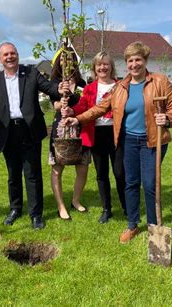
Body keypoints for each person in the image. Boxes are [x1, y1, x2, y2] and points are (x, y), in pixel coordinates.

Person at [65, 42, 172, 243]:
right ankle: (132, 225)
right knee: (131, 183)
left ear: (145, 61)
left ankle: (154, 228)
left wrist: (168, 118)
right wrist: (78, 119)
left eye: (138, 60)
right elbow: (100, 108)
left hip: (153, 141)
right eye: (130, 61)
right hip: (128, 141)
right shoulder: (121, 87)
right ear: (126, 64)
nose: (134, 64)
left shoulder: (160, 81)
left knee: (150, 183)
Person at [0, 42, 68, 230]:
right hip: (7, 132)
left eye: (13, 53)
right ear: (0, 59)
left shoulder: (30, 73)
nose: (10, 57)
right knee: (13, 175)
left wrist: (59, 89)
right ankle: (15, 208)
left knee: (32, 174)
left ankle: (36, 214)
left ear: (18, 55)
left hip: (29, 130)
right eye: (6, 54)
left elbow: (49, 88)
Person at [65, 51, 126, 224]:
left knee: (120, 172)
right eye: (99, 64)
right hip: (96, 134)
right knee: (101, 174)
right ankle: (107, 209)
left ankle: (126, 206)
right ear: (94, 68)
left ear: (111, 67)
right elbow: (82, 106)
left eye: (106, 64)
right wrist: (72, 111)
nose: (102, 67)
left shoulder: (120, 86)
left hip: (116, 134)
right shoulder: (90, 88)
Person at [48, 48, 89, 221]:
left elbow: (87, 104)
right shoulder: (55, 83)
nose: (68, 61)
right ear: (59, 61)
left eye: (71, 58)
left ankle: (75, 200)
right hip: (61, 127)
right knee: (57, 168)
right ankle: (61, 205)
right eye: (64, 58)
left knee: (83, 167)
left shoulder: (82, 83)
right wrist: (61, 104)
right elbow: (54, 105)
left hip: (80, 127)